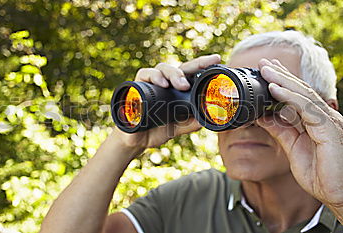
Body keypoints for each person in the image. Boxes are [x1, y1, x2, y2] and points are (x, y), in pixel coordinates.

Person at [40, 31, 343, 233]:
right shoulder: (190, 199)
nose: (243, 120)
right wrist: (124, 142)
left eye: (267, 99)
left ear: (323, 111)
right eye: (225, 97)